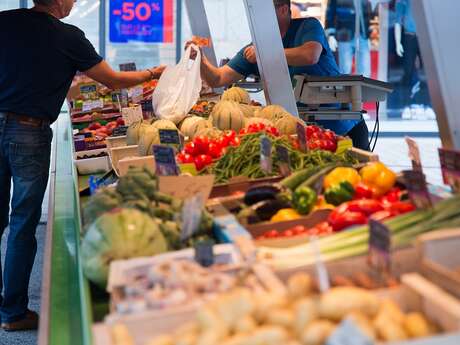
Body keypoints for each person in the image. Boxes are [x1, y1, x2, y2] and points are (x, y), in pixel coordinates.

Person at [0, 0, 164, 331]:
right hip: (29, 132)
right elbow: (114, 81)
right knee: (22, 221)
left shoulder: (5, 22)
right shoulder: (68, 36)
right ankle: (14, 313)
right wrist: (152, 73)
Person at [189, 0, 369, 149]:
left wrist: (263, 53)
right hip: (302, 134)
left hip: (343, 130)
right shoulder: (258, 45)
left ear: (283, 9)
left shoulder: (308, 26)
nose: (256, 18)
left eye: (262, 11)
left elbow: (310, 55)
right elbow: (218, 78)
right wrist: (200, 59)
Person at [325, 0, 373, 78]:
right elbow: (330, 13)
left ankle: (362, 89)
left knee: (365, 71)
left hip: (362, 36)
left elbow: (367, 13)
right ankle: (345, 89)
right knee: (345, 70)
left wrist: (368, 35)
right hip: (344, 34)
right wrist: (330, 35)